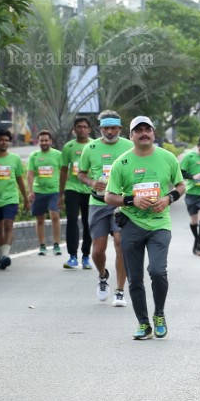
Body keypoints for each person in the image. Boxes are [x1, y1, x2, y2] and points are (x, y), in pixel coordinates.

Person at [104, 117, 184, 340]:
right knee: (135, 277)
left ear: (153, 133)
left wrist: (168, 199)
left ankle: (159, 313)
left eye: (147, 129)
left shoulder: (167, 158)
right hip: (132, 225)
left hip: (160, 225)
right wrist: (131, 201)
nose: (143, 133)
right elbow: (109, 196)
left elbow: (180, 186)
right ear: (131, 136)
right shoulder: (122, 162)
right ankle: (143, 323)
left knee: (157, 271)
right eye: (138, 130)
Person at [77, 110, 132, 305]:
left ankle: (119, 290)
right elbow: (81, 174)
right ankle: (102, 276)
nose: (110, 132)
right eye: (106, 128)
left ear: (120, 129)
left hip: (121, 204)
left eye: (114, 128)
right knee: (98, 250)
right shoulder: (90, 148)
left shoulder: (129, 146)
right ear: (100, 129)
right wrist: (92, 183)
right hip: (98, 203)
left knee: (120, 244)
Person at [59, 117, 94, 269]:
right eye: (79, 127)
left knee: (88, 223)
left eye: (85, 127)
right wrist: (60, 194)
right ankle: (72, 256)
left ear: (89, 129)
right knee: (72, 221)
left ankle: (86, 256)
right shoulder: (69, 147)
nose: (82, 129)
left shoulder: (94, 145)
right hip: (72, 188)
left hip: (90, 189)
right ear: (74, 129)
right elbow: (63, 170)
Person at [27, 130, 64, 256]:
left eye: (46, 140)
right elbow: (30, 174)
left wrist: (62, 192)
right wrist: (30, 191)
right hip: (38, 192)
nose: (44, 142)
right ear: (38, 142)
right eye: (42, 140)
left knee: (55, 216)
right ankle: (42, 245)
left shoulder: (58, 154)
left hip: (54, 191)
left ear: (51, 141)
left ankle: (56, 245)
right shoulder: (34, 155)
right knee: (40, 219)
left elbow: (64, 172)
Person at [0, 128, 29, 269]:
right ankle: (2, 256)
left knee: (9, 224)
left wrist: (26, 198)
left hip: (10, 197)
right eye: (1, 140)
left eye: (6, 140)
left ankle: (4, 255)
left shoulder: (14, 158)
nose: (4, 142)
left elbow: (20, 180)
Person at [179, 136, 200, 256]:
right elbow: (181, 172)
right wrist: (193, 177)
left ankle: (199, 246)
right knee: (193, 220)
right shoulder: (189, 157)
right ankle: (197, 239)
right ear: (198, 146)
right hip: (191, 192)